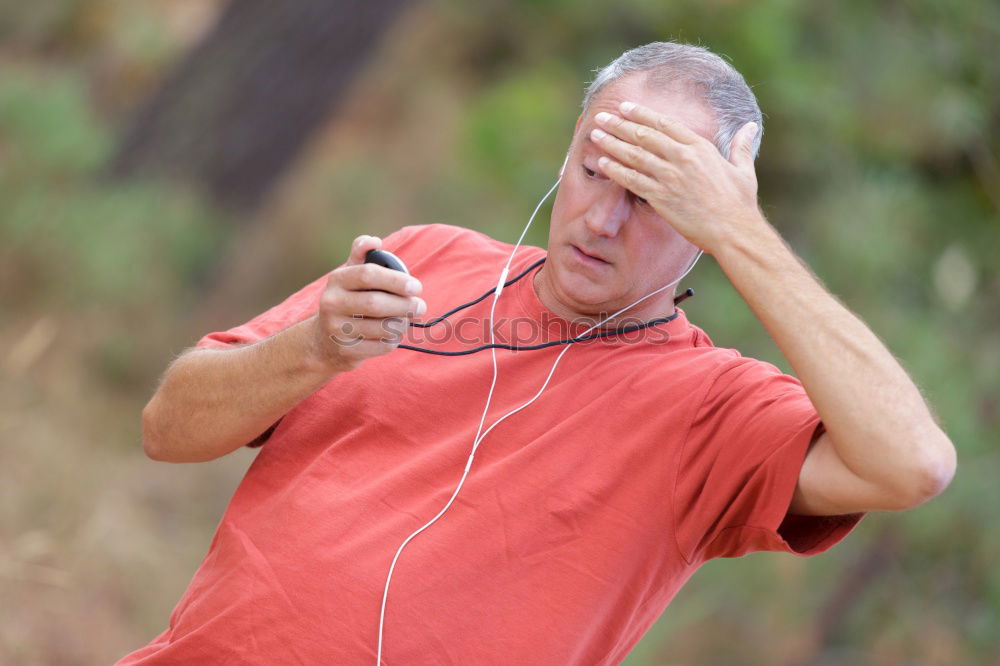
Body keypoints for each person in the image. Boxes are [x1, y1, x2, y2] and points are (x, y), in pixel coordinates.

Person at [119, 42, 956, 664]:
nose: (602, 221)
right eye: (595, 173)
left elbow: (912, 463)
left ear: (711, 221)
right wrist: (312, 348)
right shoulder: (426, 258)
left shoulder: (713, 410)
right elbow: (168, 428)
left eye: (655, 199)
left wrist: (743, 231)